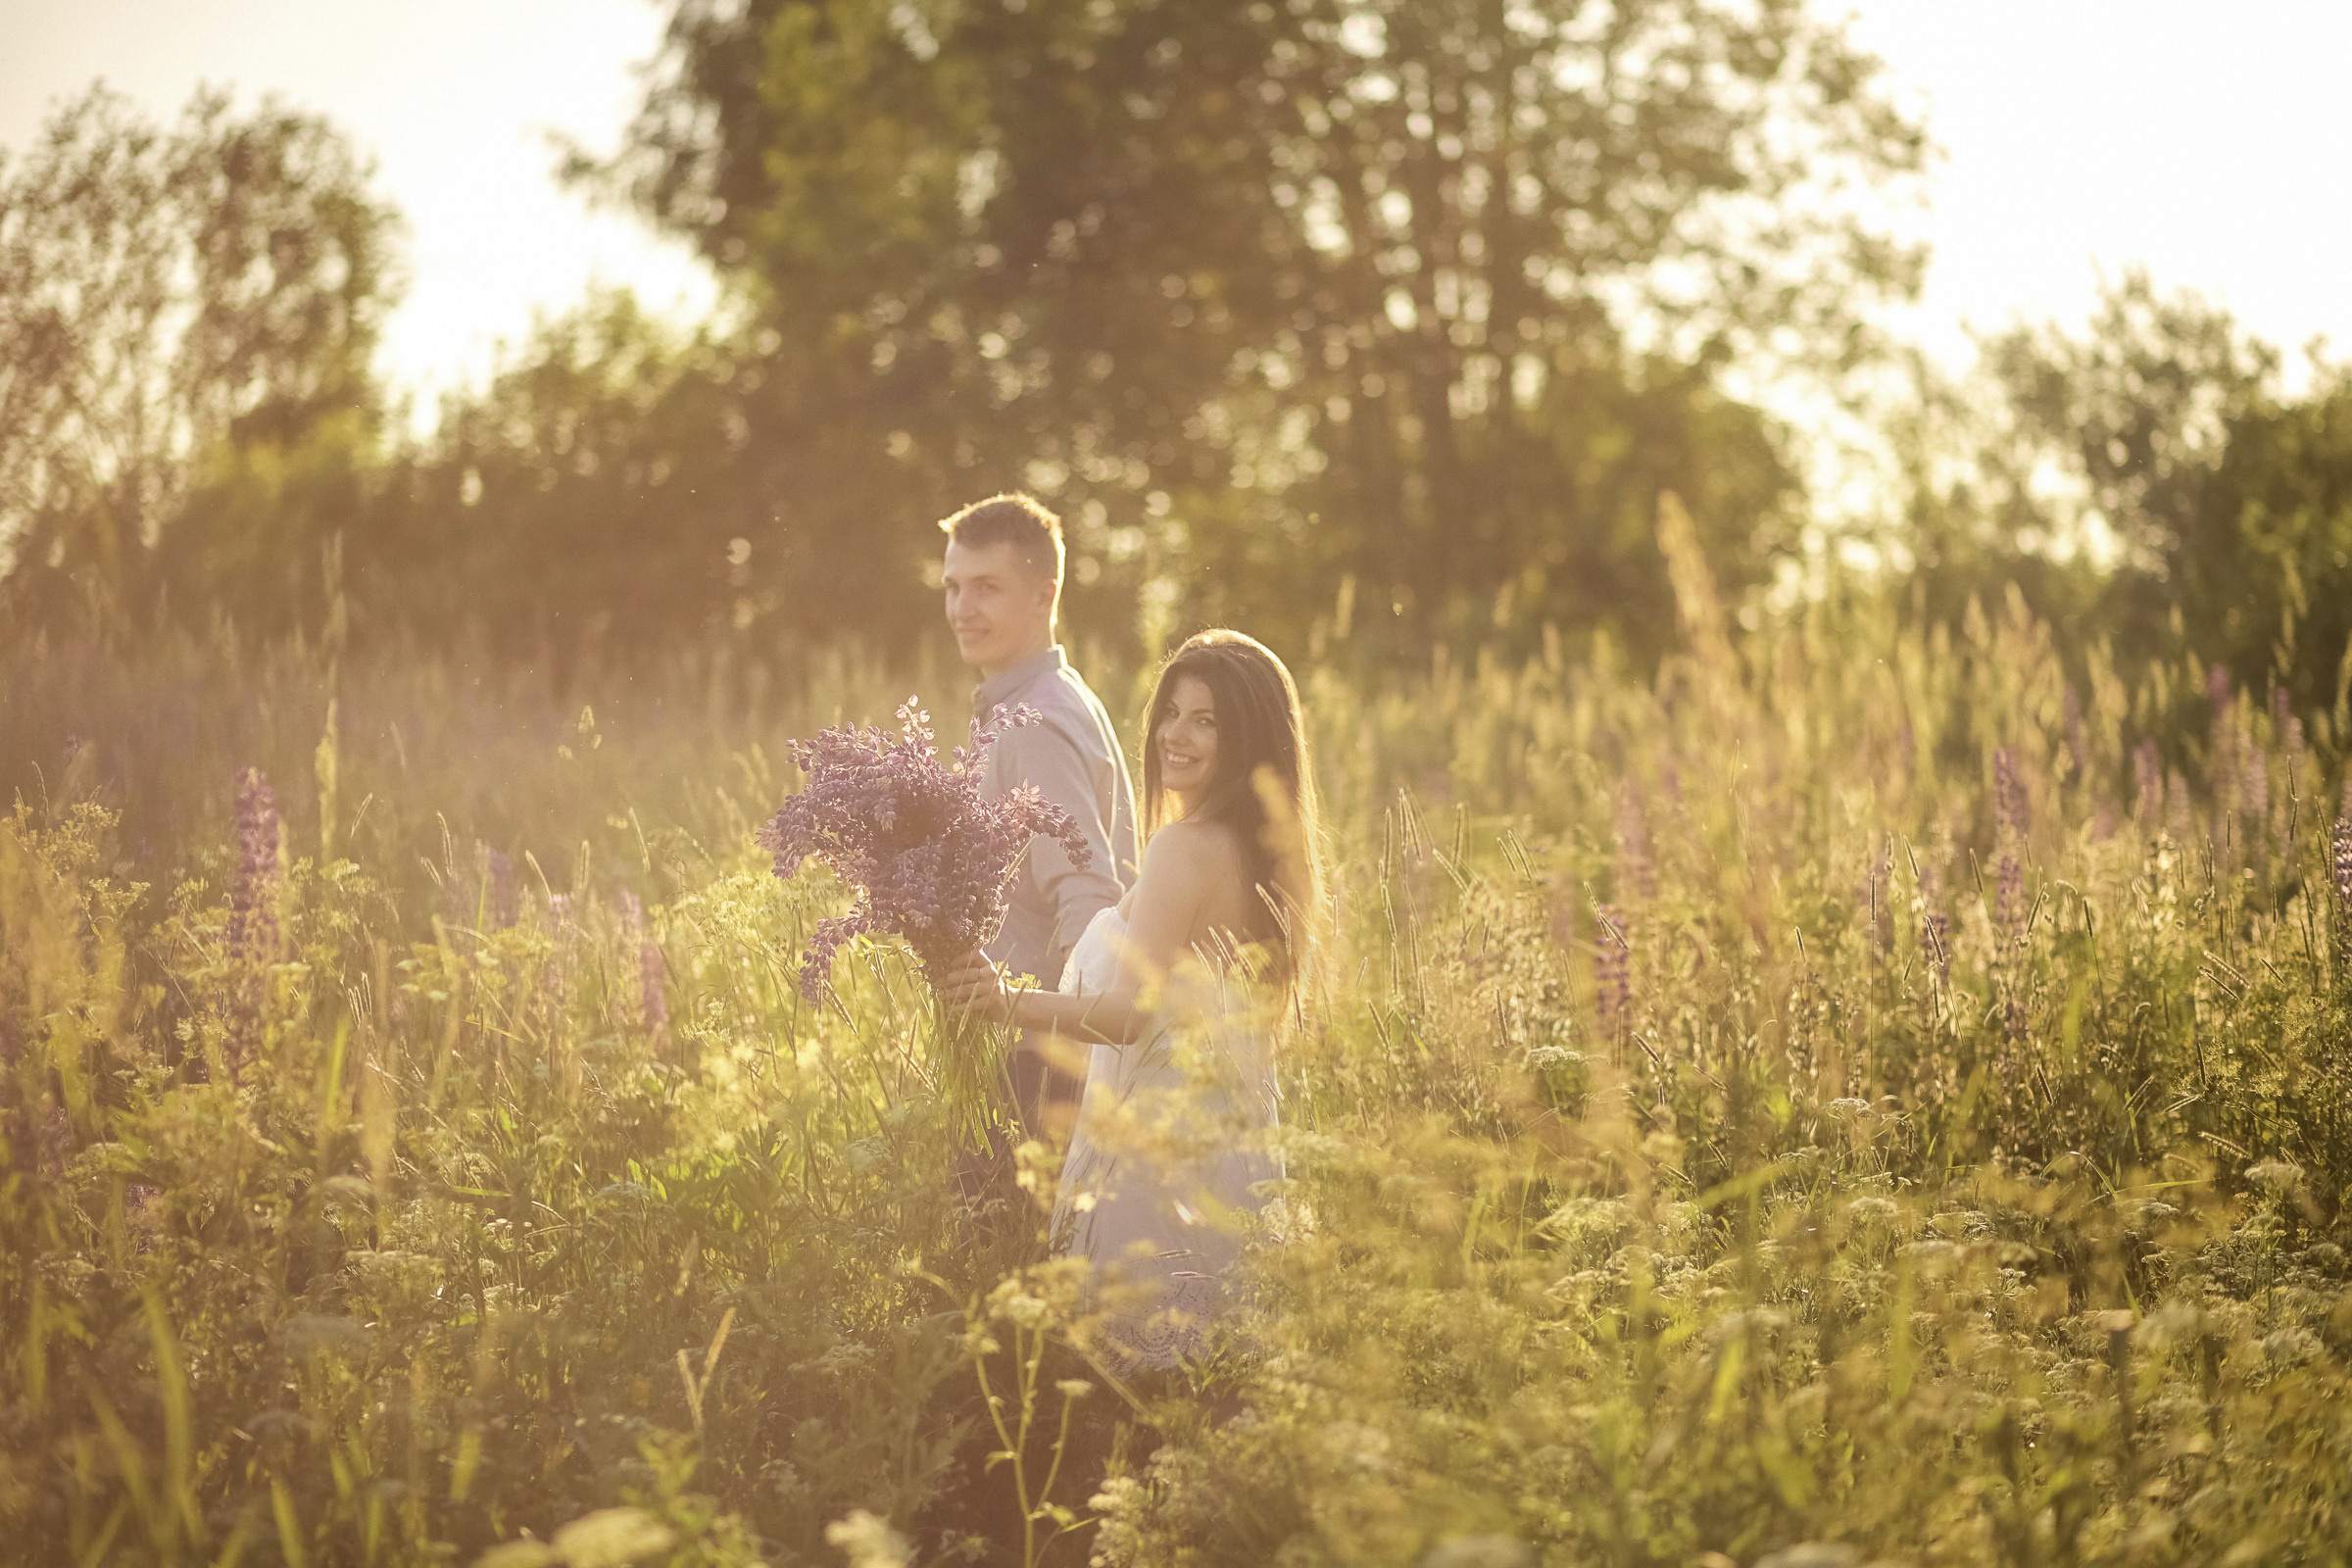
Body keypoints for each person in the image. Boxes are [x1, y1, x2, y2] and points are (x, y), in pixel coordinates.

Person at [938, 629, 1325, 1370]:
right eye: (1171, 712)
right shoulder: (1264, 852)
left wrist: (1003, 1000)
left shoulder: (1184, 848)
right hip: (1218, 1153)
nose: (1175, 735)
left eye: (1206, 720)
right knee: (1213, 1382)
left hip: (1154, 1166)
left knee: (1135, 1391)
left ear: (1248, 736)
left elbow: (1129, 1016)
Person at [941, 493, 1140, 1143]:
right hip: (1030, 1044)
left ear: (1043, 596)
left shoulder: (1035, 723)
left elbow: (1089, 898)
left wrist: (1059, 1059)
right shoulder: (1051, 696)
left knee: (1016, 1241)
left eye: (987, 588)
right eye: (953, 587)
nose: (962, 610)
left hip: (1037, 1060)